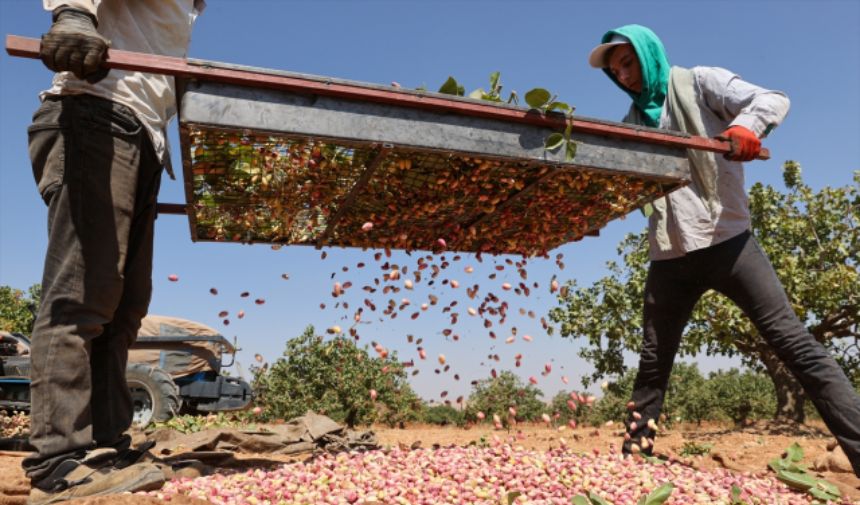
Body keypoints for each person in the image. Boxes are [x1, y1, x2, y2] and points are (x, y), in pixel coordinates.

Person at [588, 24, 860, 477]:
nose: (623, 75)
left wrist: (746, 127)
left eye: (628, 62)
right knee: (653, 363)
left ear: (649, 55)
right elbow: (619, 182)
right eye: (615, 70)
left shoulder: (699, 82)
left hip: (727, 243)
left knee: (796, 346)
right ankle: (634, 461)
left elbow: (773, 99)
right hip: (668, 258)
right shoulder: (631, 126)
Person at [23, 1, 205, 502]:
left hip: (141, 136)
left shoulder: (187, 10)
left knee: (124, 306)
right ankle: (58, 459)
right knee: (82, 294)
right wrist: (74, 14)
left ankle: (104, 443)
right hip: (95, 112)